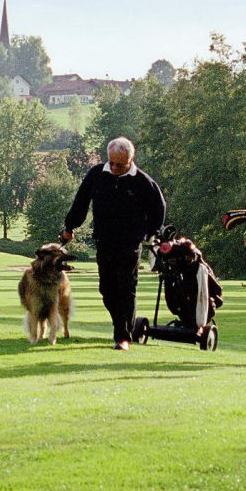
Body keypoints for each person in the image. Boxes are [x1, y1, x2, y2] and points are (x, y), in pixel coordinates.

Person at [61, 136, 167, 350]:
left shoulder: (142, 181)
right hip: (104, 239)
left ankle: (122, 337)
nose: (116, 167)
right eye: (112, 162)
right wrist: (69, 228)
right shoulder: (97, 174)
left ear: (130, 160)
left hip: (130, 242)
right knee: (107, 289)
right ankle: (123, 325)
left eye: (121, 164)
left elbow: (159, 208)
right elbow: (81, 202)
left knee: (126, 287)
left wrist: (151, 233)